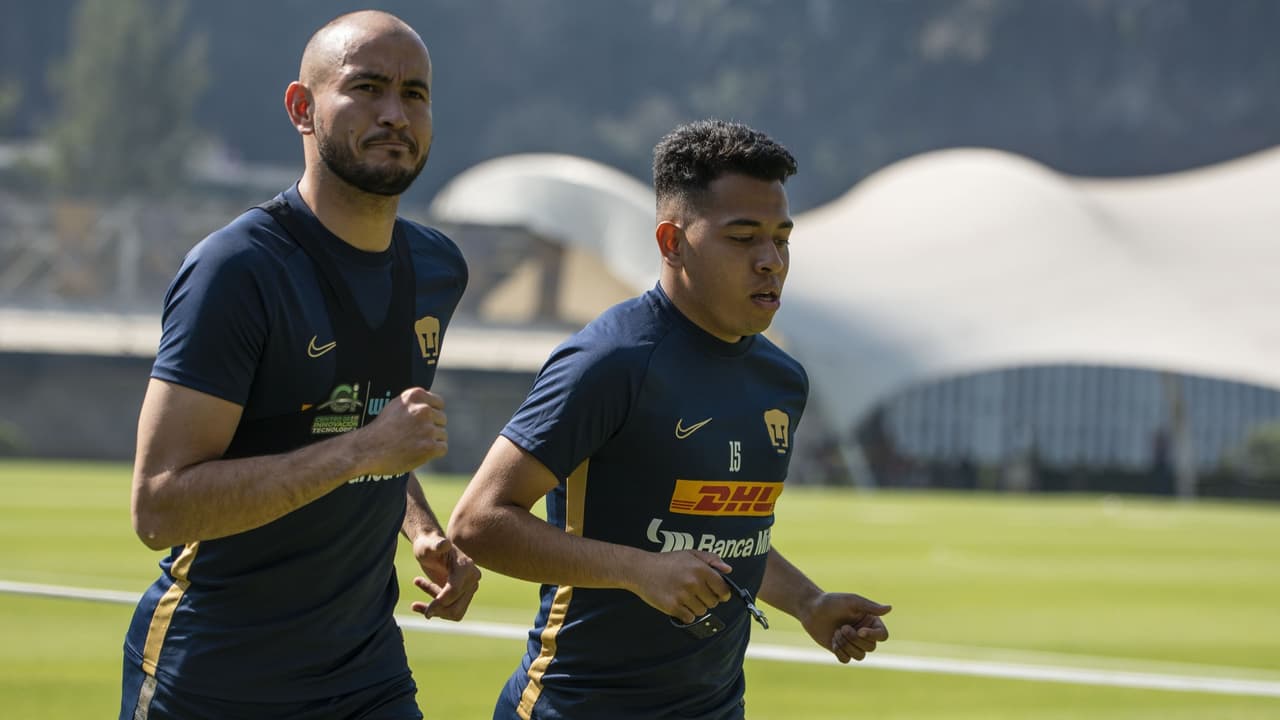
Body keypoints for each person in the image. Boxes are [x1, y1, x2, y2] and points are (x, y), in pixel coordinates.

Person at [448, 119, 891, 720]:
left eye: (781, 239)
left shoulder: (782, 380)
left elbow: (728, 537)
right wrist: (637, 570)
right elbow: (477, 521)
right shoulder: (611, 361)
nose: (770, 261)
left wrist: (809, 603)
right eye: (743, 238)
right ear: (672, 242)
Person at [119, 11, 480, 720]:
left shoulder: (438, 268)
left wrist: (420, 526)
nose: (394, 113)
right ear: (301, 108)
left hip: (366, 674)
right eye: (367, 87)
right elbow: (158, 506)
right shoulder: (237, 270)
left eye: (414, 93)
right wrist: (364, 451)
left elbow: (358, 420)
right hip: (216, 678)